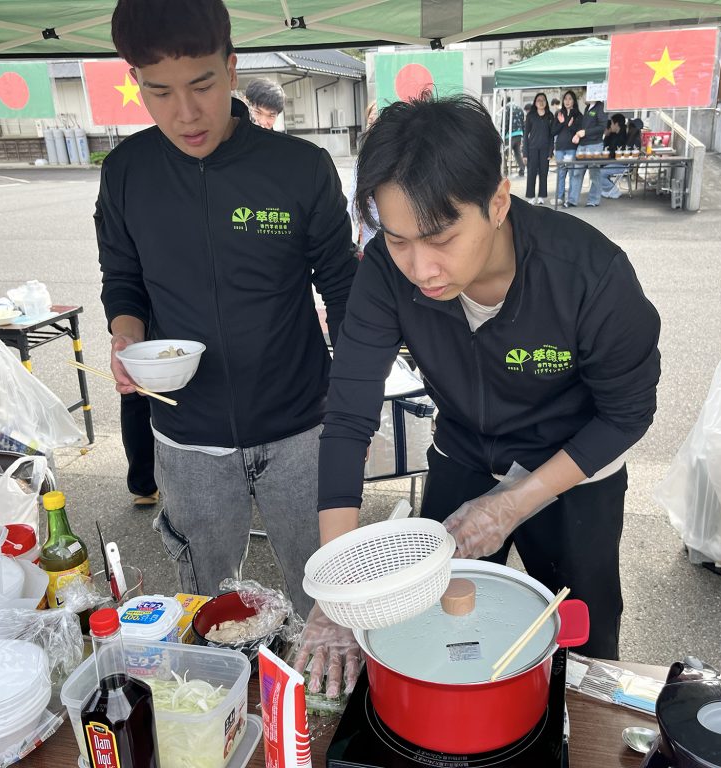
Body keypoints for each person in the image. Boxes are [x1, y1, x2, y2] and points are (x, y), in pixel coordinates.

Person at [312, 96, 661, 693]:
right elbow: (347, 419)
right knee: (431, 625)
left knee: (583, 642)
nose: (421, 268)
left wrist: (512, 505)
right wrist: (339, 594)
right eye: (398, 239)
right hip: (466, 453)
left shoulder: (589, 273)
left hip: (574, 465)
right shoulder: (384, 273)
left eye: (441, 238)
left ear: (498, 202)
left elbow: (629, 412)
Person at [97, 0, 357, 619]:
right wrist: (125, 338)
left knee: (327, 597)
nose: (186, 113)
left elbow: (343, 287)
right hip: (188, 431)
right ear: (136, 83)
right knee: (208, 606)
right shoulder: (127, 171)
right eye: (160, 92)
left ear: (232, 69)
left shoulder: (299, 168)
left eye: (202, 84)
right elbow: (123, 279)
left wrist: (353, 405)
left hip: (301, 426)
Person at [567, 99, 608, 207]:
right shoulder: (587, 108)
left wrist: (586, 132)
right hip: (582, 144)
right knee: (577, 172)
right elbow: (583, 128)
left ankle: (593, 200)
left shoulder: (601, 107)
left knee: (594, 173)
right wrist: (577, 134)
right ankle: (572, 200)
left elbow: (602, 127)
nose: (584, 97)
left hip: (595, 144)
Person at [350, 102, 379, 249]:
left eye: (378, 122)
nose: (373, 128)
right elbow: (352, 204)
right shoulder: (362, 162)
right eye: (370, 122)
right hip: (369, 242)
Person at [523, 92, 555, 205]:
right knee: (531, 173)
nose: (541, 102)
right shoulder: (530, 116)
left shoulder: (550, 116)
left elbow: (552, 135)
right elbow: (525, 135)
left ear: (546, 102)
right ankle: (531, 196)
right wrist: (525, 153)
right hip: (532, 148)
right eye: (539, 100)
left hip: (545, 149)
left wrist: (551, 151)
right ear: (535, 103)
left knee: (543, 172)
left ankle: (542, 196)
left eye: (543, 100)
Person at [553, 89, 582, 208]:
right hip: (560, 148)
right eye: (565, 99)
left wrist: (570, 125)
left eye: (570, 99)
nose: (567, 101)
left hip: (572, 148)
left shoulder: (578, 115)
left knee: (572, 173)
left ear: (574, 101)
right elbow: (553, 131)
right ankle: (560, 197)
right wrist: (562, 123)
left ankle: (570, 199)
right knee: (561, 173)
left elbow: (579, 131)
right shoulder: (559, 114)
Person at [600, 113, 628, 200]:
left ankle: (614, 190)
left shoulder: (623, 137)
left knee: (599, 173)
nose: (610, 126)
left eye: (612, 123)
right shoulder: (614, 134)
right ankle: (609, 189)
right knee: (595, 170)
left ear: (616, 124)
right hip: (612, 161)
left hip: (621, 164)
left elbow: (615, 153)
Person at [500, 97, 525, 178]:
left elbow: (505, 123)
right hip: (519, 134)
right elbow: (523, 122)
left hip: (510, 135)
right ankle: (522, 169)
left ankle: (505, 171)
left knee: (504, 153)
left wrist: (502, 135)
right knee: (517, 153)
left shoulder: (506, 108)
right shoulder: (519, 108)